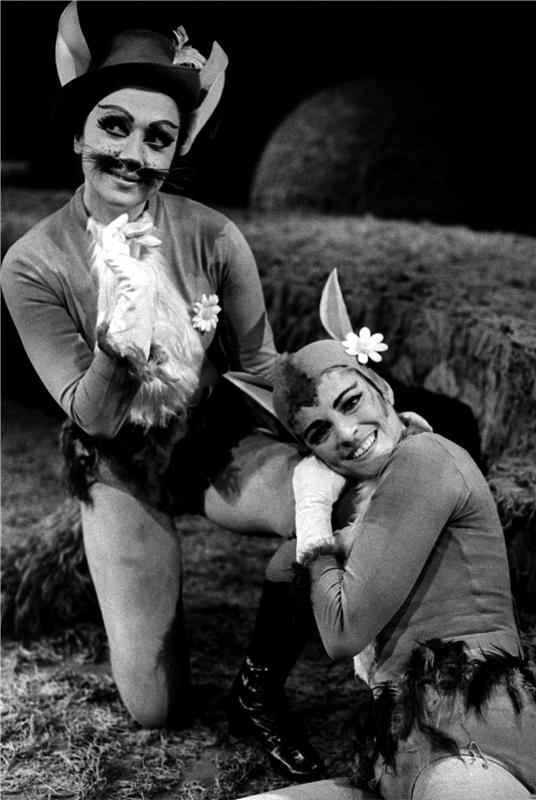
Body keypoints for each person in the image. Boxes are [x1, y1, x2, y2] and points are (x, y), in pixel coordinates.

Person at [1, 0, 298, 739]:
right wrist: (118, 345)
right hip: (117, 464)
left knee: (340, 511)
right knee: (155, 710)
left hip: (213, 441)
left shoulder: (214, 236)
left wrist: (347, 407)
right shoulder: (32, 263)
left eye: (158, 137)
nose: (134, 153)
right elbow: (93, 416)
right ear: (78, 133)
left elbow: (261, 366)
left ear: (175, 151)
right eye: (114, 126)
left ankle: (259, 686)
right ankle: (114, 565)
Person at [229, 303, 536, 798]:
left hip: (472, 738)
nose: (346, 433)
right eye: (320, 432)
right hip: (400, 750)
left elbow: (342, 630)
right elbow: (292, 568)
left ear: (384, 389)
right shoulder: (379, 498)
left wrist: (311, 502)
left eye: (351, 403)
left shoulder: (425, 456)